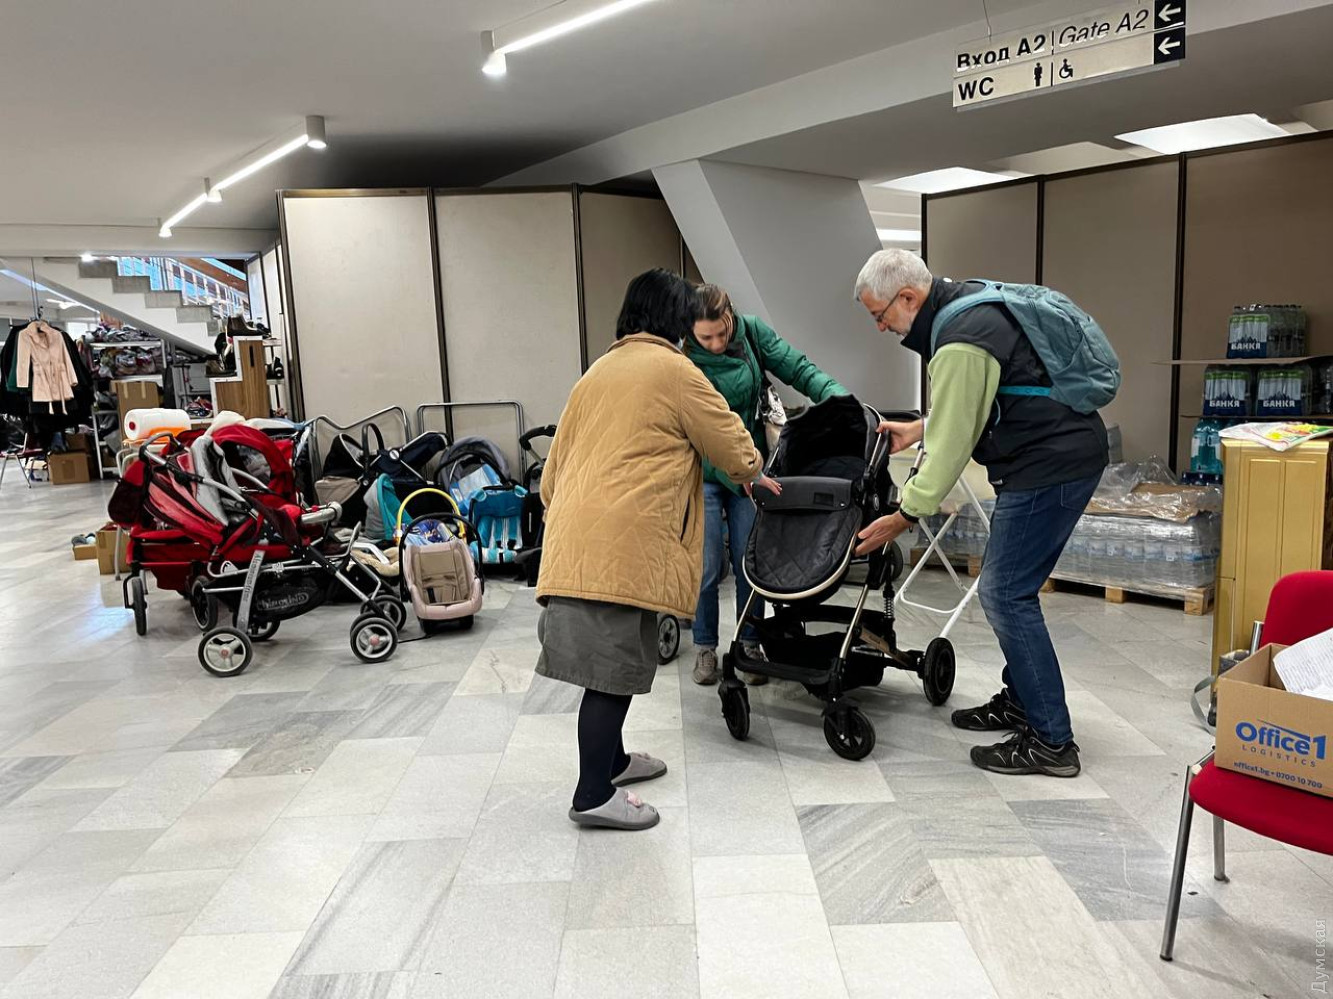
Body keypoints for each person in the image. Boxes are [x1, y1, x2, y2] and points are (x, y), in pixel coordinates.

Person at [852, 249, 1108, 778]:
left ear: (908, 297)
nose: (880, 327)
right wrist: (920, 427)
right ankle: (1021, 702)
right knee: (1008, 589)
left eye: (880, 315)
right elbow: (983, 398)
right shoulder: (965, 304)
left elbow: (952, 446)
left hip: (1048, 465)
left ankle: (1051, 741)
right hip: (1055, 458)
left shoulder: (959, 338)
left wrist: (906, 514)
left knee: (1005, 594)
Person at [536, 268, 777, 830]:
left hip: (578, 541)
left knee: (609, 661)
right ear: (676, 320)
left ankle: (614, 763)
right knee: (611, 674)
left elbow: (550, 478)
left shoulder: (596, 373)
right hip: (624, 545)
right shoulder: (675, 370)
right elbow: (734, 447)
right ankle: (593, 795)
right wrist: (753, 469)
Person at [685, 284, 847, 686]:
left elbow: (799, 369)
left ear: (730, 316)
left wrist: (840, 401)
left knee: (750, 561)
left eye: (721, 333)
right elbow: (687, 426)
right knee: (706, 565)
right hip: (705, 471)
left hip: (752, 468)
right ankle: (704, 646)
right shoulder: (680, 356)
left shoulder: (752, 333)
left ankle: (750, 642)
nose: (716, 344)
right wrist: (735, 471)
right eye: (706, 338)